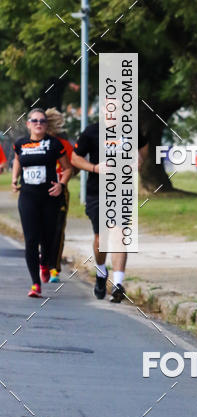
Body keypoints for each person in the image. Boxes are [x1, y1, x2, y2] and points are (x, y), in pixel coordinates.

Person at [71, 119, 147, 303]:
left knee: (119, 233)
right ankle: (101, 271)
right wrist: (95, 168)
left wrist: (138, 160)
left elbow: (143, 148)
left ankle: (118, 284)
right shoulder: (92, 131)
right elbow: (75, 158)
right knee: (101, 238)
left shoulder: (131, 130)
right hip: (97, 192)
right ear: (105, 109)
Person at [12, 109, 72, 297]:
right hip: (28, 196)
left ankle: (45, 263)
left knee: (48, 237)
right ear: (28, 124)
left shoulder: (54, 144)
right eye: (35, 121)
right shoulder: (21, 143)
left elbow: (67, 168)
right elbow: (17, 161)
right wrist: (14, 179)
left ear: (47, 125)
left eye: (42, 121)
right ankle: (35, 284)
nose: (39, 124)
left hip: (49, 197)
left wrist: (61, 185)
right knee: (31, 240)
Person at [45, 108, 75, 282]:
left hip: (59, 191)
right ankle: (43, 262)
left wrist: (63, 179)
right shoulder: (31, 144)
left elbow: (72, 167)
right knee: (40, 229)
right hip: (37, 192)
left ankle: (54, 268)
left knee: (57, 230)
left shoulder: (64, 145)